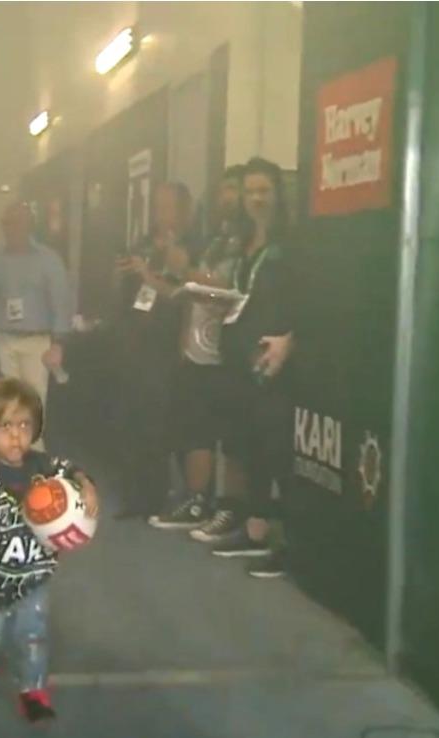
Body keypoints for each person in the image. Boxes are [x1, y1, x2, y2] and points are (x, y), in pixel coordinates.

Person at [0, 377, 99, 722]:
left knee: (33, 635)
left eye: (24, 425)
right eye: (5, 426)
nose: (16, 436)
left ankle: (34, 689)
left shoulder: (42, 466)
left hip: (34, 574)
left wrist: (86, 486)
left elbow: (71, 469)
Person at [208, 158, 298, 579]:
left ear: (277, 193)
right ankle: (256, 532)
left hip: (274, 361)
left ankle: (289, 546)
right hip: (239, 359)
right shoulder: (240, 243)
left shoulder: (292, 243)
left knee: (279, 454)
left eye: (264, 190)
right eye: (250, 192)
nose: (257, 199)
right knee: (250, 450)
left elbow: (309, 297)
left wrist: (291, 339)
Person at [151, 168, 250, 534]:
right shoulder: (216, 241)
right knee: (194, 428)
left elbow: (229, 287)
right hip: (195, 346)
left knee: (225, 434)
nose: (228, 199)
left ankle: (230, 507)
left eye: (235, 192)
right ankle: (197, 501)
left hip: (227, 350)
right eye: (223, 191)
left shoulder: (247, 244)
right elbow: (187, 292)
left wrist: (188, 270)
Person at [112, 182, 200, 520]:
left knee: (159, 423)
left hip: (168, 344)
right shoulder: (145, 242)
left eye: (167, 206)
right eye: (157, 205)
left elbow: (181, 293)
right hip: (136, 338)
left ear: (182, 209)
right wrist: (125, 272)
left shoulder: (189, 247)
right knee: (132, 418)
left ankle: (160, 495)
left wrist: (147, 273)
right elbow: (130, 288)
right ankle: (136, 493)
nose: (161, 213)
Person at [0, 201, 74, 448]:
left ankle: (34, 462)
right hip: (5, 340)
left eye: (17, 223)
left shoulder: (48, 259)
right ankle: (12, 461)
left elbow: (61, 303)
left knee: (33, 406)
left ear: (28, 226)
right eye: (6, 224)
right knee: (8, 408)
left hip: (37, 344)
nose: (11, 229)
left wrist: (58, 344)